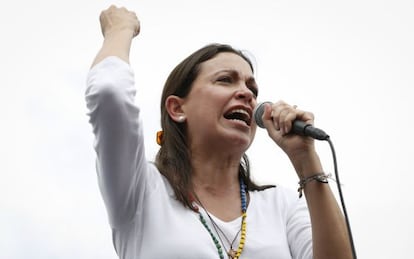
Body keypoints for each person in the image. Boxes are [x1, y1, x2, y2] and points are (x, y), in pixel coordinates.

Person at [85, 5, 353, 259]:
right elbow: (111, 93)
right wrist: (120, 29)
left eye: (252, 89)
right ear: (177, 108)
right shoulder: (141, 191)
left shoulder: (281, 206)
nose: (246, 94)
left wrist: (305, 160)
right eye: (225, 80)